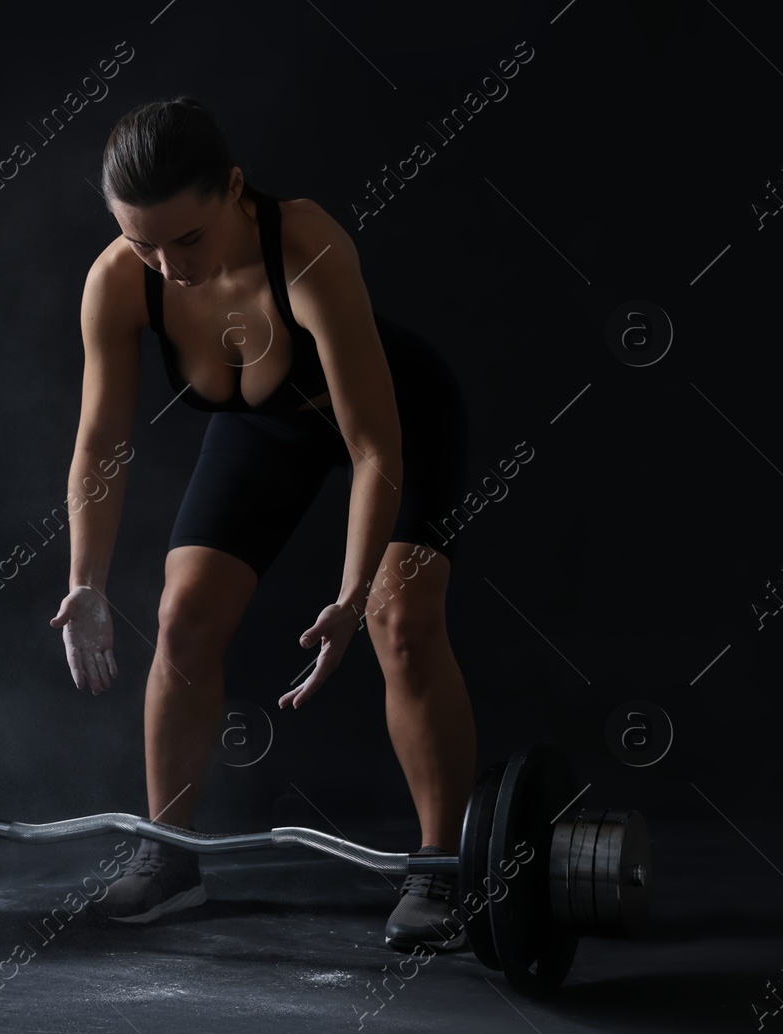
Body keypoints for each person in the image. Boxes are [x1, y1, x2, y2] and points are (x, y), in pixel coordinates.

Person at [49, 96, 475, 952]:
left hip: (393, 418)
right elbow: (101, 443)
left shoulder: (305, 242)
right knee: (184, 614)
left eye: (188, 240)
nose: (167, 266)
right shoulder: (118, 281)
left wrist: (353, 594)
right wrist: (86, 582)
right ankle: (168, 860)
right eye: (142, 241)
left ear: (234, 191)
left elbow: (373, 449)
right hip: (268, 423)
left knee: (402, 621)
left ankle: (442, 870)